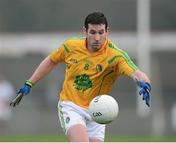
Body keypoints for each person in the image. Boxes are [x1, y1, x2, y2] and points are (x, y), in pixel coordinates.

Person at [10, 12, 151, 142]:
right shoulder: (71, 46)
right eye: (93, 32)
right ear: (85, 31)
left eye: (101, 33)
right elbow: (51, 60)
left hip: (98, 110)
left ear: (107, 31)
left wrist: (145, 83)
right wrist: (30, 83)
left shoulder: (116, 56)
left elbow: (137, 73)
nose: (97, 38)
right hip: (71, 105)